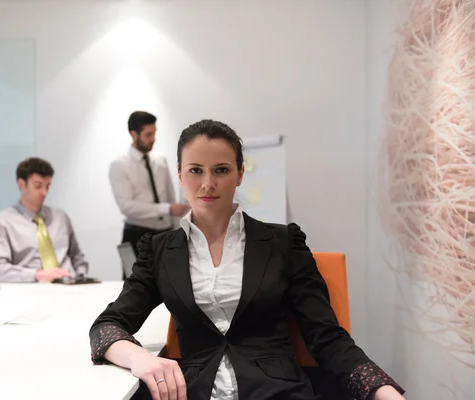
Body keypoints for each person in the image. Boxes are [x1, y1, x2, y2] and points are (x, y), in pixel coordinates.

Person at [90, 120, 406, 400]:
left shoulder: (283, 242)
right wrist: (141, 359)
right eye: (195, 170)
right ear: (180, 174)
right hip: (194, 390)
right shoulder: (159, 250)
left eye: (221, 170)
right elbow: (107, 326)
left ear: (240, 174)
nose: (207, 183)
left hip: (277, 391)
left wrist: (381, 389)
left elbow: (327, 338)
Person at [0, 157, 89, 283]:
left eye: (47, 186)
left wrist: (81, 276)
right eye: (38, 186)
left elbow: (77, 256)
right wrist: (37, 275)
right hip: (28, 290)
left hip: (68, 286)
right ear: (21, 184)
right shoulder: (2, 222)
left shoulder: (61, 217)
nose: (44, 192)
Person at [109, 111, 188, 263]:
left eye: (154, 133)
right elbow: (127, 207)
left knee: (168, 283)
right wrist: (166, 209)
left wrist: (177, 230)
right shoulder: (119, 165)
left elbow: (170, 198)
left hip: (165, 234)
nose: (153, 139)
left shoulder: (160, 160)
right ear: (133, 134)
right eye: (148, 134)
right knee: (135, 285)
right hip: (137, 235)